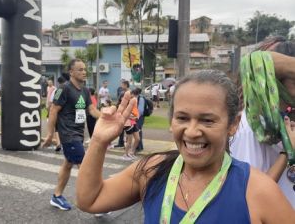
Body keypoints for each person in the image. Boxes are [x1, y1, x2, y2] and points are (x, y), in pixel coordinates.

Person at [76, 70, 295, 223]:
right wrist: (98, 141)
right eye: (182, 118)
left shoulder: (258, 190)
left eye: (207, 120)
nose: (191, 131)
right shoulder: (152, 170)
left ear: (233, 125)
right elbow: (90, 200)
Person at [231, 49, 295, 208]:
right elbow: (248, 196)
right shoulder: (249, 128)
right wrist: (287, 153)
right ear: (274, 81)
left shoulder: (288, 120)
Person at [42, 59, 100, 211]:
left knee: (68, 164)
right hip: (68, 134)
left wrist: (107, 116)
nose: (84, 72)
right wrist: (50, 135)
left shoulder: (85, 90)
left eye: (84, 69)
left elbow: (92, 110)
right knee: (85, 166)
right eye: (80, 69)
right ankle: (97, 202)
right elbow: (53, 110)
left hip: (79, 134)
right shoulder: (64, 89)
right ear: (71, 72)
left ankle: (56, 196)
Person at [122, 89, 140, 161]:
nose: (133, 97)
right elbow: (123, 113)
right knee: (129, 140)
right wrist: (131, 116)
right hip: (128, 123)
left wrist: (136, 116)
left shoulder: (134, 101)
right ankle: (125, 154)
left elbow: (135, 111)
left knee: (137, 139)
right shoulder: (126, 103)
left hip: (133, 122)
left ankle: (131, 153)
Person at [114, 80, 130, 148]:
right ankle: (122, 143)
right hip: (126, 113)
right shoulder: (129, 92)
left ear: (126, 85)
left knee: (127, 129)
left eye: (122, 85)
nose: (121, 86)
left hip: (125, 113)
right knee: (123, 129)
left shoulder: (125, 93)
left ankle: (125, 144)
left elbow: (118, 102)